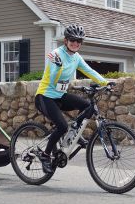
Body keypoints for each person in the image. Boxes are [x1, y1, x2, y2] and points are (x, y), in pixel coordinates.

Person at [35, 24, 108, 173]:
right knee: (61, 126)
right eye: (72, 40)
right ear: (66, 40)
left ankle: (73, 133)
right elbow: (54, 80)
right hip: (45, 96)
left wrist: (105, 82)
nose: (75, 43)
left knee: (88, 106)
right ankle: (45, 155)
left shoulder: (76, 57)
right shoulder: (55, 54)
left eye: (78, 41)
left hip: (60, 96)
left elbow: (89, 70)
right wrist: (59, 66)